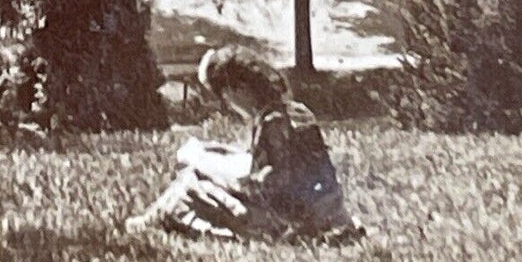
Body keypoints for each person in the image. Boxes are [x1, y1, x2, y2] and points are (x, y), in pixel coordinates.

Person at [126, 45, 361, 242]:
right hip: (330, 209)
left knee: (191, 183)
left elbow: (273, 186)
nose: (228, 105)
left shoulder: (273, 122)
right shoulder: (292, 111)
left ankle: (150, 221)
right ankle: (153, 218)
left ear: (239, 89)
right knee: (205, 168)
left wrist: (228, 176)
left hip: (296, 220)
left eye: (226, 97)